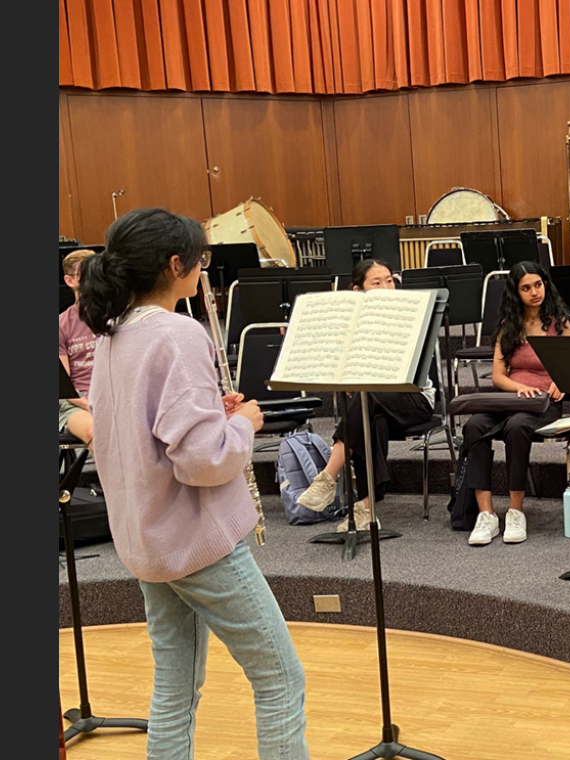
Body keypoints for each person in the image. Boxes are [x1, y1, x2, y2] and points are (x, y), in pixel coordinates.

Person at [80, 208, 310, 758]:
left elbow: (141, 434)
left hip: (148, 538)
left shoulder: (113, 335)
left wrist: (214, 411)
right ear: (175, 264)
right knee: (281, 679)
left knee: (175, 688)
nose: (204, 269)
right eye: (201, 259)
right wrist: (242, 423)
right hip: (197, 542)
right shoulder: (178, 333)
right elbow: (203, 461)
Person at [296, 259, 436, 531]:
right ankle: (366, 507)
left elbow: (412, 374)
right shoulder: (350, 326)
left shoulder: (411, 316)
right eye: (377, 282)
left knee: (366, 397)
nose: (387, 287)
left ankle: (327, 477)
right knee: (370, 416)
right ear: (359, 291)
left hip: (414, 398)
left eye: (389, 280)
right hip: (375, 402)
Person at [464, 261, 570, 546]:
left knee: (517, 426)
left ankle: (515, 510)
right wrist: (519, 386)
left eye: (538, 285)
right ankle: (486, 515)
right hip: (512, 397)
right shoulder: (508, 327)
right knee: (475, 425)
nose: (534, 292)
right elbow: (499, 376)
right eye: (526, 288)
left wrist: (562, 381)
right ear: (516, 293)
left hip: (543, 404)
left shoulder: (559, 324)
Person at [59, 249, 99, 448]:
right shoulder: (60, 324)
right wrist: (88, 404)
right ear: (69, 281)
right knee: (97, 432)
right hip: (76, 401)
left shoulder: (117, 317)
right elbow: (64, 387)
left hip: (113, 394)